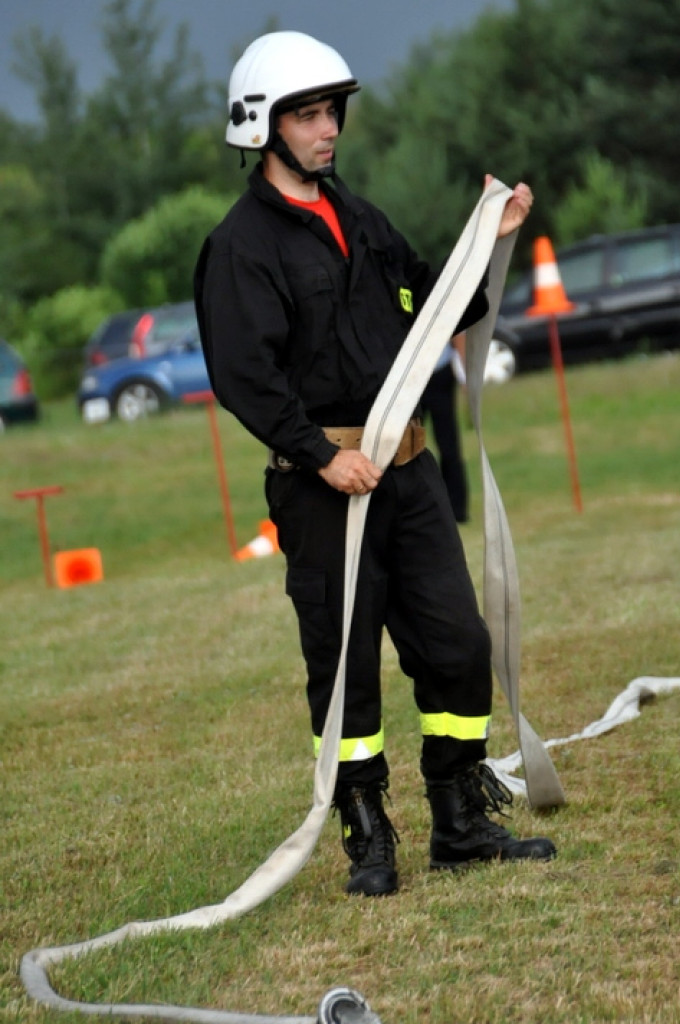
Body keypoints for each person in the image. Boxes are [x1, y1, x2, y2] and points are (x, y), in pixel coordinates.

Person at [194, 30, 556, 897]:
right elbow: (244, 375)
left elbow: (434, 309)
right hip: (324, 489)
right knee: (345, 665)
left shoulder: (359, 217)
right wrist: (321, 455)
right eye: (309, 116)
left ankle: (460, 824)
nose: (329, 130)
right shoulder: (241, 246)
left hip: (410, 475)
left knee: (458, 643)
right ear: (262, 127)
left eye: (332, 113)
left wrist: (491, 239)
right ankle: (367, 840)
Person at [420, 333, 469, 523]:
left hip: (439, 373)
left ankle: (457, 509)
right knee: (406, 447)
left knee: (448, 445)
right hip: (408, 378)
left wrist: (465, 373)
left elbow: (457, 331)